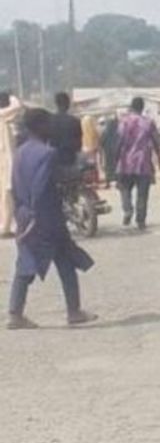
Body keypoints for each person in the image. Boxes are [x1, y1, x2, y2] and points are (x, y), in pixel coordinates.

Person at [7, 108, 96, 329]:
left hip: (26, 216)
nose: (51, 128)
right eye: (48, 124)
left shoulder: (20, 152)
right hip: (47, 218)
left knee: (27, 264)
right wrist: (79, 171)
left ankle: (15, 313)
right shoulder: (47, 153)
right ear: (40, 126)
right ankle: (73, 311)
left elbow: (16, 187)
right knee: (64, 262)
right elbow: (48, 181)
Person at [116, 97, 160, 230]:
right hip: (143, 163)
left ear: (131, 107)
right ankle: (140, 220)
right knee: (142, 193)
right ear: (142, 108)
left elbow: (119, 142)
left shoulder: (124, 122)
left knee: (124, 189)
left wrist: (115, 160)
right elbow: (155, 141)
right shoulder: (148, 122)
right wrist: (159, 159)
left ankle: (127, 210)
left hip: (126, 162)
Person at [0, 93, 23, 237]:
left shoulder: (4, 119)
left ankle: (6, 225)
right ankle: (7, 226)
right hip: (6, 161)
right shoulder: (3, 117)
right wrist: (12, 96)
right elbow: (17, 106)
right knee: (8, 194)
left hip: (4, 161)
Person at [49, 92, 83, 174]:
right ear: (68, 104)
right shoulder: (74, 121)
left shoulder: (49, 121)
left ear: (56, 104)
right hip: (70, 159)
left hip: (54, 160)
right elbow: (79, 144)